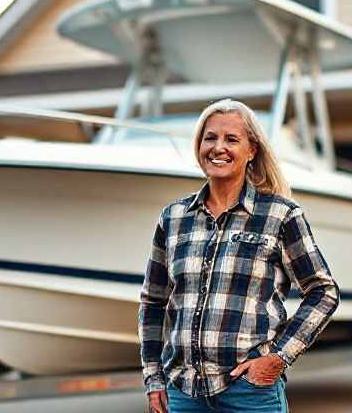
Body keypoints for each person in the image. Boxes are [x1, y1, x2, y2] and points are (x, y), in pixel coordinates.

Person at [138, 99, 340, 413]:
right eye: (210, 138)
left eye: (231, 139)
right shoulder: (173, 217)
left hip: (250, 395)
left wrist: (278, 358)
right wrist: (154, 379)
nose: (218, 147)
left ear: (252, 151)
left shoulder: (280, 215)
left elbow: (323, 291)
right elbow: (153, 301)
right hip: (183, 394)